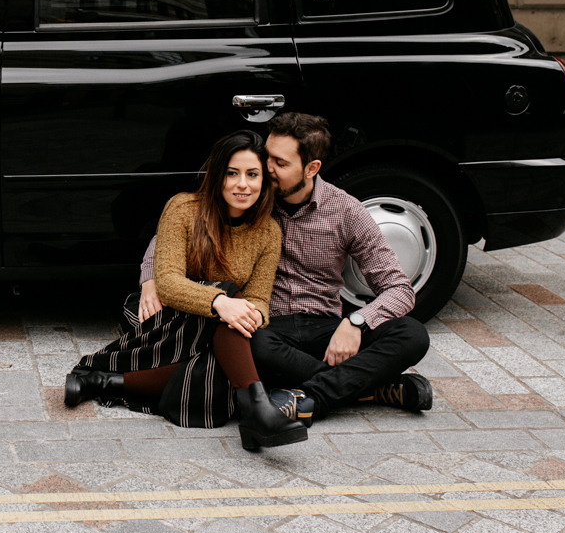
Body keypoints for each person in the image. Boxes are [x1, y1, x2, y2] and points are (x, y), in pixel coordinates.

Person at [64, 131, 307, 450]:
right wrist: (221, 302)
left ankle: (103, 382)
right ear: (218, 174)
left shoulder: (268, 231)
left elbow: (260, 298)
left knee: (218, 363)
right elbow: (167, 281)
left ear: (264, 180)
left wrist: (252, 315)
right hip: (160, 314)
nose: (242, 184)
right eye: (232, 173)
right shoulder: (184, 208)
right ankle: (257, 410)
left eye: (252, 174)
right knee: (228, 304)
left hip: (222, 326)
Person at [251, 112, 431, 423]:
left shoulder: (346, 210)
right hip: (273, 330)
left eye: (280, 163)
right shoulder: (249, 195)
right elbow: (180, 226)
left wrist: (357, 322)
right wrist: (151, 280)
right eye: (267, 157)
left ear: (312, 168)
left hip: (327, 331)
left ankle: (312, 397)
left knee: (413, 334)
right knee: (253, 345)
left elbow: (399, 289)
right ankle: (373, 389)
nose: (267, 169)